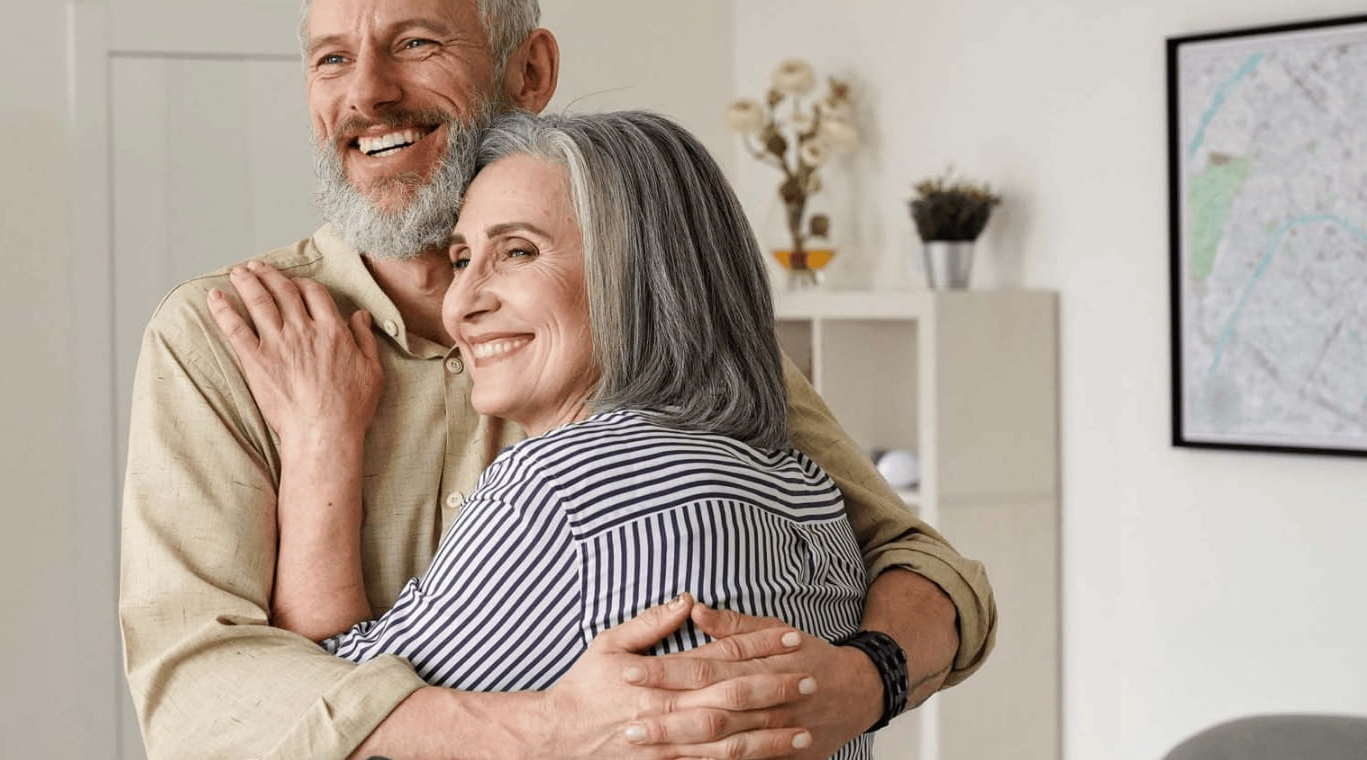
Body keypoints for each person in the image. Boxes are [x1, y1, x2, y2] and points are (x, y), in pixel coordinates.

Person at [118, 1, 997, 758]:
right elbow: (196, 698)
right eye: (332, 58)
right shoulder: (220, 338)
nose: (366, 92)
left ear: (529, 68)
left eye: (417, 42)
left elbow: (920, 564)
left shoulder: (662, 345)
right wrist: (544, 732)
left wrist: (861, 680)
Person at [214, 109, 880, 760]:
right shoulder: (808, 490)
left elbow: (336, 718)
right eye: (462, 257)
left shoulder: (565, 487)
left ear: (636, 272)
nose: (463, 303)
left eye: (518, 251)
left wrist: (318, 436)